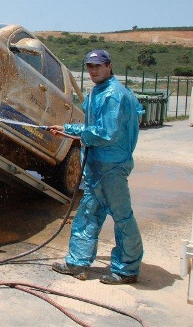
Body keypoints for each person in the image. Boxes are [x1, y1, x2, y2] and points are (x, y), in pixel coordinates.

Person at [49, 49, 145, 284]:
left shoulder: (115, 94)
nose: (93, 71)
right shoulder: (97, 92)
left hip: (112, 167)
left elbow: (108, 133)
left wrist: (72, 130)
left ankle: (127, 269)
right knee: (88, 213)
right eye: (90, 66)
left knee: (122, 217)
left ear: (109, 66)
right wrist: (75, 133)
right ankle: (78, 263)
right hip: (95, 165)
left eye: (98, 66)